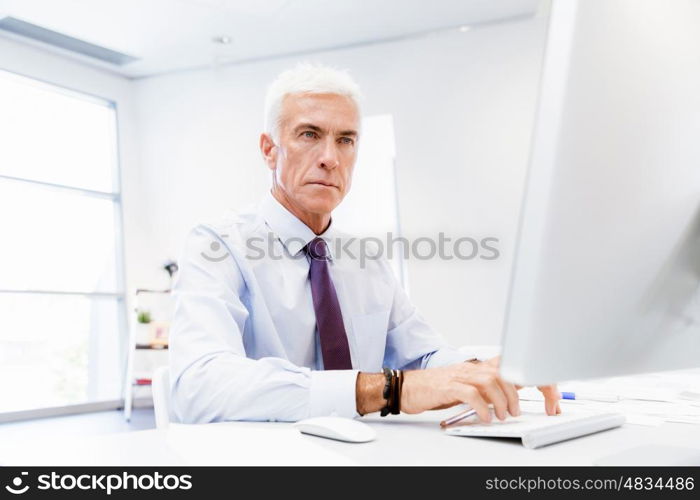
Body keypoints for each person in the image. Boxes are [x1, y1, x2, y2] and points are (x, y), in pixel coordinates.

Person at [169, 63, 561, 423]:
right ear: (269, 150)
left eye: (345, 140)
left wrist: (483, 371)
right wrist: (389, 391)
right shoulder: (218, 246)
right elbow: (199, 386)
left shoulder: (365, 261)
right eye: (309, 134)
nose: (330, 158)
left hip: (367, 455)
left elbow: (422, 355)